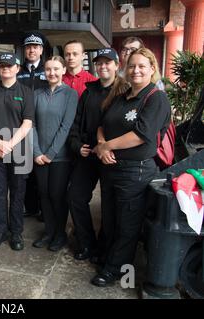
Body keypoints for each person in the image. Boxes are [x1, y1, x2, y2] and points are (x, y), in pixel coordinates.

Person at [92, 48, 171, 286]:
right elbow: (101, 124)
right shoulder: (121, 95)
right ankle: (107, 257)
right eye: (132, 66)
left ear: (152, 69)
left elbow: (140, 135)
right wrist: (101, 144)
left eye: (142, 66)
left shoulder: (156, 98)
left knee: (128, 224)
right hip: (110, 168)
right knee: (110, 217)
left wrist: (106, 148)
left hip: (135, 171)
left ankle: (115, 270)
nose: (136, 70)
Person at [68, 48, 128, 261]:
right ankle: (86, 243)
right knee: (76, 197)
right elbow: (75, 122)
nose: (103, 66)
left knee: (109, 206)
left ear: (116, 65)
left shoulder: (125, 91)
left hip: (112, 157)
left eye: (107, 62)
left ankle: (104, 248)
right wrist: (77, 145)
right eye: (99, 63)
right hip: (88, 153)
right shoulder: (88, 91)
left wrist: (109, 148)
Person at [0, 53, 34, 251]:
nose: (5, 69)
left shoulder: (26, 92)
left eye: (9, 66)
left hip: (19, 150)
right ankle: (0, 231)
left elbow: (27, 122)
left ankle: (16, 232)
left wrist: (9, 144)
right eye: (2, 65)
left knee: (18, 194)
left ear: (17, 68)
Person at [32, 56, 78, 252]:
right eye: (48, 69)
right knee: (43, 194)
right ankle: (49, 232)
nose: (52, 73)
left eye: (56, 69)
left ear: (63, 70)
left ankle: (60, 234)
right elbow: (30, 124)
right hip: (38, 155)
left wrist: (50, 153)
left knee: (57, 195)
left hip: (60, 156)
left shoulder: (70, 94)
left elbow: (66, 126)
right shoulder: (36, 94)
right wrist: (36, 152)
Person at [17, 32, 48, 219]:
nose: (32, 50)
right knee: (25, 169)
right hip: (21, 125)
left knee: (41, 170)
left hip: (43, 126)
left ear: (41, 49)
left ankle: (45, 209)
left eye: (35, 47)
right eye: (29, 47)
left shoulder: (48, 70)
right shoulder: (17, 71)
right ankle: (30, 207)